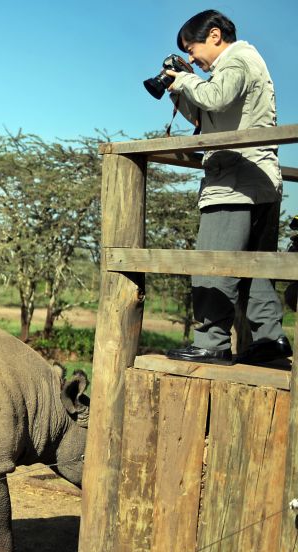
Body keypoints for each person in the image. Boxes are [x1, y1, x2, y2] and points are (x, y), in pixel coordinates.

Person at [163, 9, 290, 366]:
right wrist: (179, 90)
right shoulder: (244, 64)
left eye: (192, 48)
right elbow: (209, 115)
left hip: (234, 181)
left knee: (212, 264)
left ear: (215, 36)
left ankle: (211, 343)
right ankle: (269, 340)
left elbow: (216, 97)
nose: (191, 58)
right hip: (261, 181)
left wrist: (187, 81)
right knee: (255, 268)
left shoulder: (237, 61)